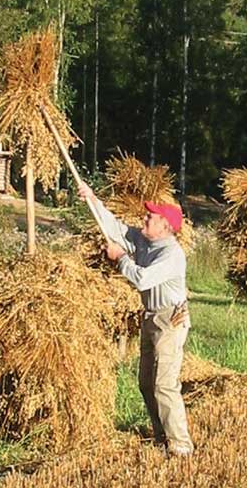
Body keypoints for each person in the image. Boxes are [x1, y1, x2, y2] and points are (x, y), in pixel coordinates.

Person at [77, 181, 194, 457]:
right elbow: (114, 227)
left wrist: (121, 259)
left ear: (165, 227)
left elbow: (142, 279)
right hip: (151, 317)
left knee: (164, 384)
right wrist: (91, 198)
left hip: (170, 321)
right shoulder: (144, 239)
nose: (144, 218)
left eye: (150, 217)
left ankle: (180, 445)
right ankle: (160, 435)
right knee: (145, 383)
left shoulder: (172, 255)